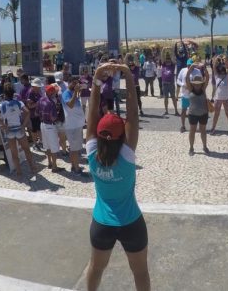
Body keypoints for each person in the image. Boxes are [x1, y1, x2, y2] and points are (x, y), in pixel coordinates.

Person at [84, 62, 149, 291]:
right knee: (140, 272)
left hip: (102, 223)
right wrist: (128, 75)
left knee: (95, 268)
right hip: (131, 222)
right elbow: (132, 114)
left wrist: (96, 80)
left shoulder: (92, 153)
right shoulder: (127, 154)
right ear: (122, 136)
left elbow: (92, 114)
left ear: (98, 135)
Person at [0, 83, 37, 179]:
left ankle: (19, 172)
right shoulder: (18, 103)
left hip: (9, 131)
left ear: (4, 94)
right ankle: (32, 168)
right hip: (19, 129)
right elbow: (27, 112)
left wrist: (4, 125)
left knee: (14, 153)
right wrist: (23, 125)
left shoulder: (1, 105)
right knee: (26, 150)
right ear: (13, 93)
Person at [62, 76, 88, 175]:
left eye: (77, 83)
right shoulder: (66, 93)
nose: (76, 85)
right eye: (74, 83)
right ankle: (76, 169)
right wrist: (75, 92)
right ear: (69, 83)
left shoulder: (73, 93)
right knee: (75, 149)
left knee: (75, 148)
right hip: (72, 126)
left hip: (76, 125)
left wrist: (77, 92)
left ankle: (74, 166)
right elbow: (70, 105)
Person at [39, 84, 65, 172]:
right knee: (54, 147)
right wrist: (57, 114)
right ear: (51, 92)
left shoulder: (41, 100)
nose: (55, 93)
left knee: (47, 146)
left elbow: (36, 113)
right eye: (54, 92)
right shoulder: (51, 103)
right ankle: (54, 167)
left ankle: (49, 163)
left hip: (42, 125)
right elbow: (53, 118)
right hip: (50, 126)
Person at [185, 64, 210, 155]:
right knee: (192, 131)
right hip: (192, 114)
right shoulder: (190, 88)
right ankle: (191, 147)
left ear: (201, 83)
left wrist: (204, 68)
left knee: (203, 131)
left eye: (198, 83)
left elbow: (207, 78)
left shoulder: (203, 89)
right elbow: (187, 78)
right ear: (193, 83)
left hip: (203, 113)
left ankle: (204, 146)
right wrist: (192, 67)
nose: (197, 85)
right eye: (195, 83)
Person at [209, 56, 228, 135]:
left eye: (223, 70)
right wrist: (217, 59)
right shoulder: (216, 76)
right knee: (216, 114)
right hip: (218, 98)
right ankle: (213, 128)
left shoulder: (227, 75)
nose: (222, 71)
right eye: (221, 70)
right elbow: (214, 66)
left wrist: (225, 59)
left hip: (226, 98)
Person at [177, 60, 191, 132]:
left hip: (192, 95)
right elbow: (178, 80)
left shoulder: (196, 71)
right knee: (183, 111)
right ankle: (183, 126)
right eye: (188, 65)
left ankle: (192, 126)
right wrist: (183, 85)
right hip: (184, 94)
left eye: (190, 65)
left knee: (192, 112)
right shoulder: (183, 70)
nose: (189, 66)